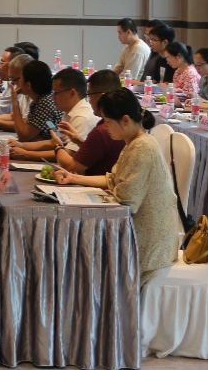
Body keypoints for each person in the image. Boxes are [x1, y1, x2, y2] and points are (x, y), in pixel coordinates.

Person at [54, 88, 179, 283]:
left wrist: (113, 188)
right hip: (146, 233)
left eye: (108, 121)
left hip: (150, 243)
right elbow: (112, 179)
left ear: (125, 120)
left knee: (88, 254)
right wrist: (73, 178)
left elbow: (127, 199)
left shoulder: (142, 147)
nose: (105, 127)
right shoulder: (134, 143)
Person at [11, 68, 96, 161]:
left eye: (56, 93)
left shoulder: (82, 117)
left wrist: (26, 154)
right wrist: (20, 145)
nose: (53, 98)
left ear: (72, 93)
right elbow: (54, 142)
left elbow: (69, 154)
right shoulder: (69, 112)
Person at [52, 70, 126, 175]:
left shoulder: (103, 130)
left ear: (101, 97)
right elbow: (99, 151)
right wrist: (79, 141)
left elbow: (70, 167)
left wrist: (58, 146)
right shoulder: (116, 123)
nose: (89, 101)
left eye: (89, 95)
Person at [11, 60, 62, 142]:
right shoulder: (41, 99)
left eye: (20, 78)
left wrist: (14, 102)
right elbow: (24, 127)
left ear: (28, 85)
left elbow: (23, 136)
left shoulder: (44, 103)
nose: (19, 82)